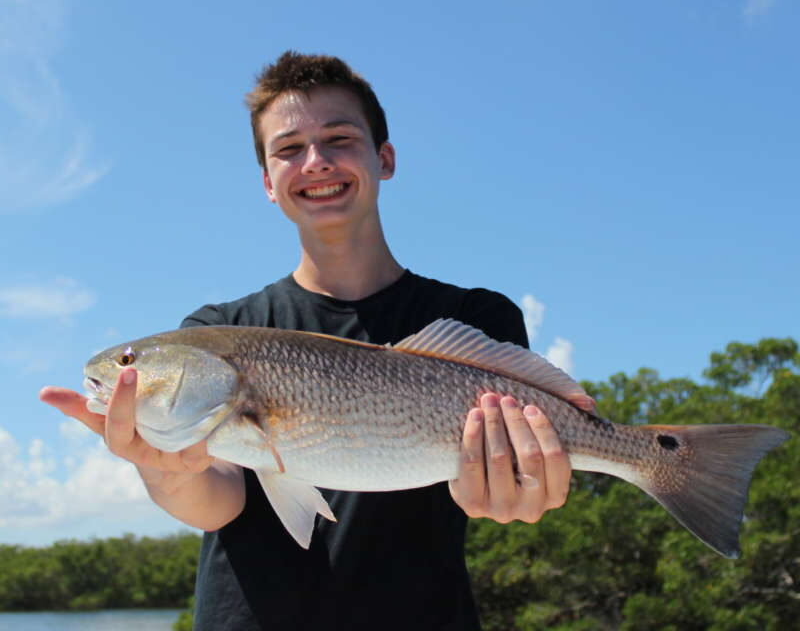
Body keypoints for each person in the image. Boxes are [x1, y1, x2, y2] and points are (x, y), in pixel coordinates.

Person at [41, 52, 592, 630]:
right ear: (267, 184)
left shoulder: (476, 317)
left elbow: (502, 483)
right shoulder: (212, 328)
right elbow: (221, 498)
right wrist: (166, 472)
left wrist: (518, 489)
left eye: (339, 138)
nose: (315, 162)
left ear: (385, 158)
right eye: (287, 149)